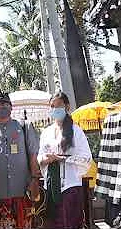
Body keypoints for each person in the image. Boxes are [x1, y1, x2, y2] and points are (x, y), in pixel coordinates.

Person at [0, 93, 41, 229]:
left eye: (5, 105)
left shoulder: (24, 126)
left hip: (23, 191)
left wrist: (35, 179)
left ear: (11, 108)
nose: (2, 107)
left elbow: (33, 156)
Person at [37, 92, 92, 229]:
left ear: (67, 107)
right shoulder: (46, 132)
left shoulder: (76, 131)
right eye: (52, 106)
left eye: (59, 106)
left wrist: (61, 159)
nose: (55, 109)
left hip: (70, 186)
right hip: (50, 186)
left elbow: (86, 158)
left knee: (69, 223)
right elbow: (40, 156)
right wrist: (44, 160)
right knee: (53, 223)